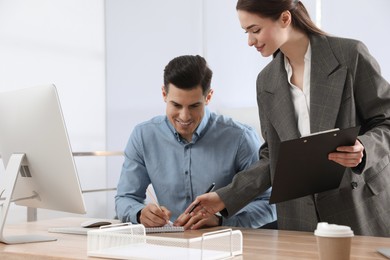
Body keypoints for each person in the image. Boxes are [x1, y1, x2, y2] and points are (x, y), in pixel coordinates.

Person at [186, 0, 390, 237]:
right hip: (299, 216)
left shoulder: (349, 55)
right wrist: (225, 197)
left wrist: (364, 147)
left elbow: (386, 121)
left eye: (255, 30)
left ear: (285, 18)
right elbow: (275, 157)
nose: (250, 41)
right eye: (247, 32)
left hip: (359, 205)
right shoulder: (266, 81)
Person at [115, 55, 276, 229]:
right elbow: (124, 198)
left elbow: (269, 203)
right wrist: (140, 214)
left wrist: (221, 221)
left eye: (194, 106)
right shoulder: (143, 136)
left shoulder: (241, 138)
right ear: (164, 94)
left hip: (226, 242)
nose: (184, 116)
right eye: (176, 105)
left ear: (208, 97)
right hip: (167, 244)